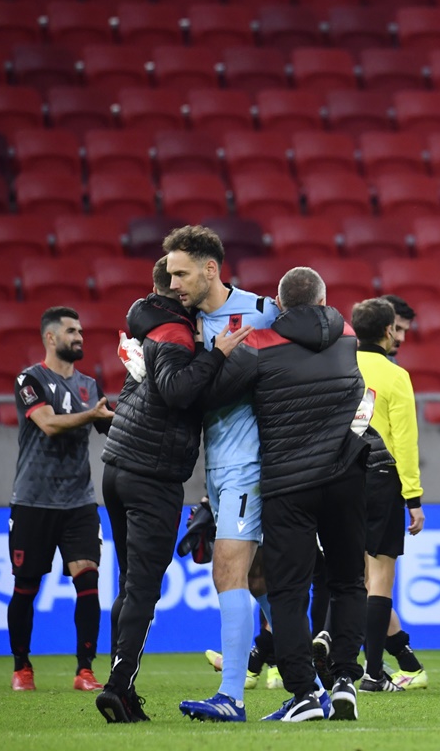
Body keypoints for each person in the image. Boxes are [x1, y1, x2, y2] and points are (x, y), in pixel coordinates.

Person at [196, 266, 369, 722]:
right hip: (346, 476)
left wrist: (213, 354)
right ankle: (346, 680)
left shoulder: (257, 346)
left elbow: (208, 395)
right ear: (324, 297)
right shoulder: (348, 335)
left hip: (288, 484)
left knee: (288, 591)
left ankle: (304, 695)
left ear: (279, 303)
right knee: (350, 581)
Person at [97, 261, 252, 722]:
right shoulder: (175, 333)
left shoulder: (153, 327)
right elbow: (177, 390)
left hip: (121, 466)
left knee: (130, 585)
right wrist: (219, 353)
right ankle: (119, 687)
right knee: (144, 588)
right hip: (152, 475)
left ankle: (118, 680)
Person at [163, 226, 280, 722]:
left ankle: (231, 695)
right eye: (169, 275)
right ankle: (315, 682)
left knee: (226, 569)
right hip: (218, 469)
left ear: (211, 269)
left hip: (249, 466)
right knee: (257, 579)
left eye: (181, 274)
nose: (173, 285)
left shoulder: (263, 312)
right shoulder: (180, 321)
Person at [9, 307, 115, 694]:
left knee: (88, 577)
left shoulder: (89, 384)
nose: (80, 337)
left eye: (82, 331)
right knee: (27, 585)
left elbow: (108, 424)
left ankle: (84, 670)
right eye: (72, 331)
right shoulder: (30, 378)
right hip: (34, 500)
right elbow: (49, 423)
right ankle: (22, 667)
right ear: (50, 338)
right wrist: (91, 415)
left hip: (79, 501)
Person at [349, 297, 427, 693]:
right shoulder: (395, 376)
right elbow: (405, 441)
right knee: (379, 578)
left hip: (335, 479)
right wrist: (413, 498)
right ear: (386, 331)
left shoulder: (337, 367)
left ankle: (336, 668)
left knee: (343, 577)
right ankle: (373, 673)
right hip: (381, 480)